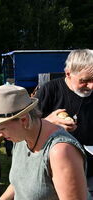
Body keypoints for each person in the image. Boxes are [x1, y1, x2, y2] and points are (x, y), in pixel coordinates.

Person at [0, 85, 87, 200]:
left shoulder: (61, 152)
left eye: (1, 129)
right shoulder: (21, 136)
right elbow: (19, 182)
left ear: (24, 120)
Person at [35, 49, 93, 197]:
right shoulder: (50, 90)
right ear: (68, 73)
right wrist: (49, 122)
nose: (91, 86)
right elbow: (28, 125)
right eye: (84, 80)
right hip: (58, 168)